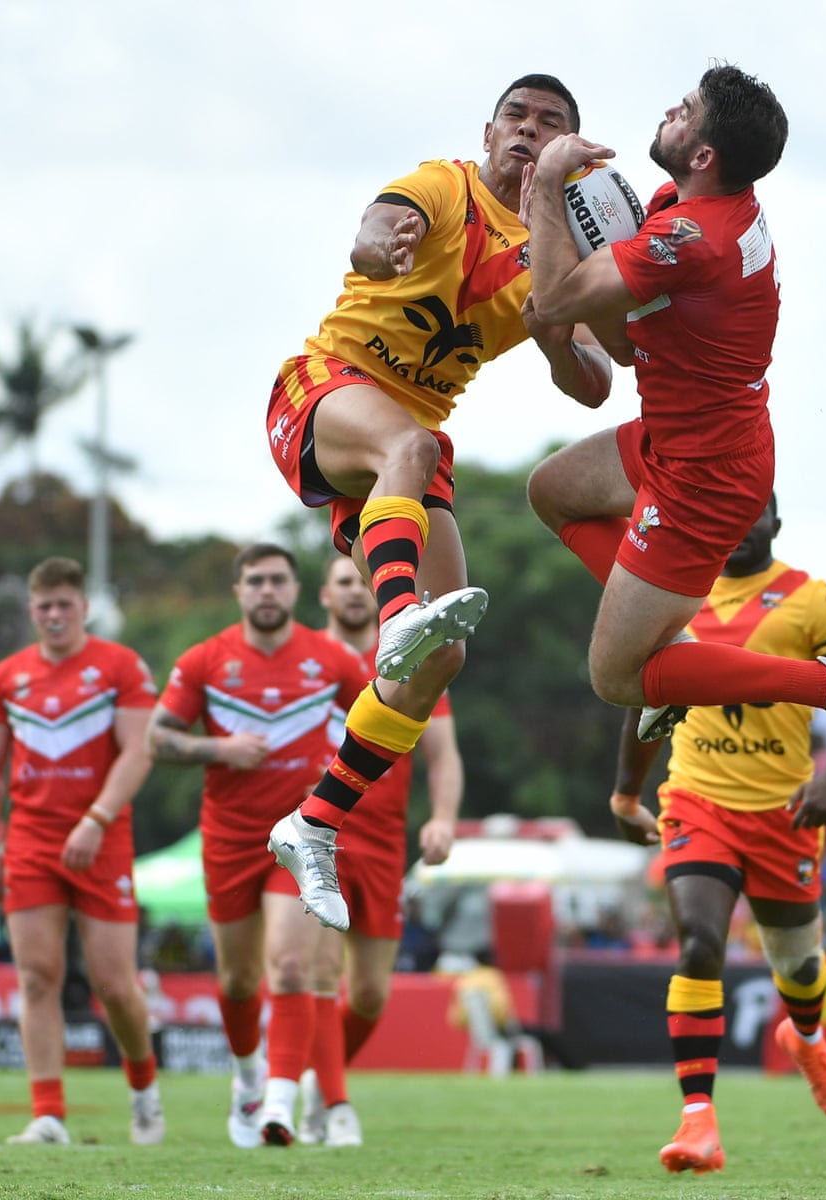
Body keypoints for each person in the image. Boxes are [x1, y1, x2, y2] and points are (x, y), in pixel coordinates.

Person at [265, 73, 613, 929]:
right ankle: (392, 619)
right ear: (488, 133)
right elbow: (372, 232)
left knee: (445, 657)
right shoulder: (440, 183)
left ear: (571, 150)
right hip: (327, 388)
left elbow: (597, 384)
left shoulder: (563, 252)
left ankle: (314, 823)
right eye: (517, 119)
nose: (529, 133)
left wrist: (551, 337)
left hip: (407, 449)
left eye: (551, 125)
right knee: (411, 452)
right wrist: (380, 248)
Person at [520, 61, 826, 780]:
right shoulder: (689, 204)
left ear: (704, 157)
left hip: (703, 479)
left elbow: (561, 299)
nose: (671, 108)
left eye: (686, 109)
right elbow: (629, 348)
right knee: (553, 490)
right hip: (685, 439)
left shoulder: (694, 237)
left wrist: (544, 185)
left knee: (617, 679)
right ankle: (680, 653)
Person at [606, 496, 826, 1175]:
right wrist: (627, 792)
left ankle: (806, 1037)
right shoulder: (670, 600)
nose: (743, 523)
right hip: (697, 802)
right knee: (699, 940)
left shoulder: (810, 601)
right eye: (734, 512)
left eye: (757, 513)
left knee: (800, 971)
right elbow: (642, 698)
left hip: (784, 814)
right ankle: (699, 1122)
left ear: (776, 524)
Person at [144, 543, 367, 1148]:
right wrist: (218, 749)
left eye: (277, 581)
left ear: (296, 591)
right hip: (226, 840)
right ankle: (247, 1076)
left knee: (291, 967)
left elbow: (380, 719)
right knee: (239, 980)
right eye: (255, 581)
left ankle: (280, 1102)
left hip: (300, 835)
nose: (267, 591)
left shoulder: (332, 660)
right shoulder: (205, 662)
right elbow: (157, 739)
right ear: (239, 591)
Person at [0, 556, 164, 1146]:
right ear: (32, 611)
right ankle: (48, 1113)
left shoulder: (119, 666)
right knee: (37, 976)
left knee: (113, 983)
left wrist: (97, 819)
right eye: (44, 607)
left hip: (102, 838)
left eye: (64, 605)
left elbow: (139, 752)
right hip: (29, 840)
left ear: (83, 607)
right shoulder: (9, 676)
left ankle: (142, 1087)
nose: (54, 616)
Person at [296, 555, 463, 1148]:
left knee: (368, 995)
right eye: (343, 581)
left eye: (364, 581)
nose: (355, 591)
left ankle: (316, 1078)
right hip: (321, 836)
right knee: (316, 975)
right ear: (323, 595)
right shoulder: (303, 660)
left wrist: (442, 819)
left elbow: (443, 754)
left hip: (385, 841)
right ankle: (337, 1105)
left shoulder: (411, 656)